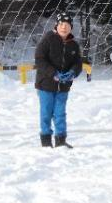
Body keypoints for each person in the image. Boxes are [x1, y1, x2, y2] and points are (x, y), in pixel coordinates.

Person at [34, 12, 83, 149]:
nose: (64, 27)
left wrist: (73, 73)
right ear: (56, 25)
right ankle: (46, 141)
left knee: (60, 113)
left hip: (63, 87)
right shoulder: (48, 39)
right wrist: (53, 73)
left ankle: (61, 140)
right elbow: (39, 59)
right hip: (46, 85)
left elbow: (78, 63)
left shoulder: (73, 45)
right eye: (61, 24)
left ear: (71, 27)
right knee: (46, 113)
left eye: (67, 25)